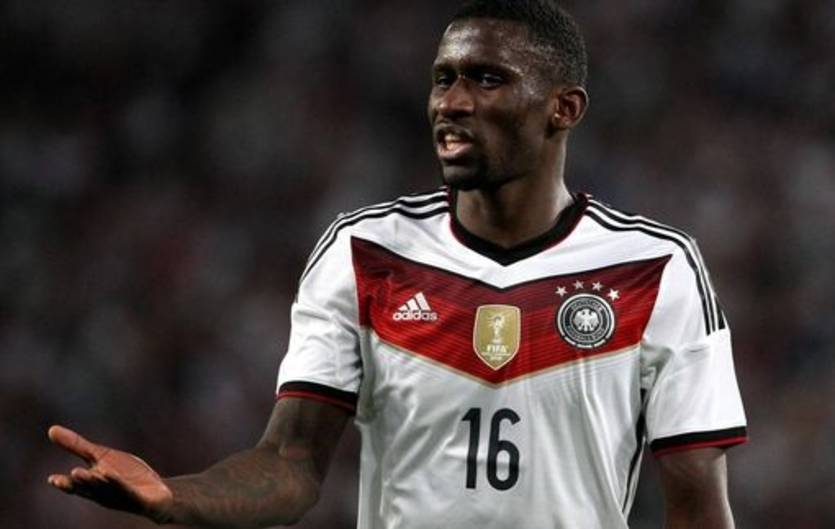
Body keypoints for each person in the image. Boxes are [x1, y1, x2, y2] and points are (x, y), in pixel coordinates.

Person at [47, 1, 747, 527]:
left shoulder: (655, 268)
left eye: (487, 79)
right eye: (443, 79)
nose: (453, 102)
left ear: (562, 108)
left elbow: (697, 507)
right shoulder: (364, 253)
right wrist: (179, 496)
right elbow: (289, 462)